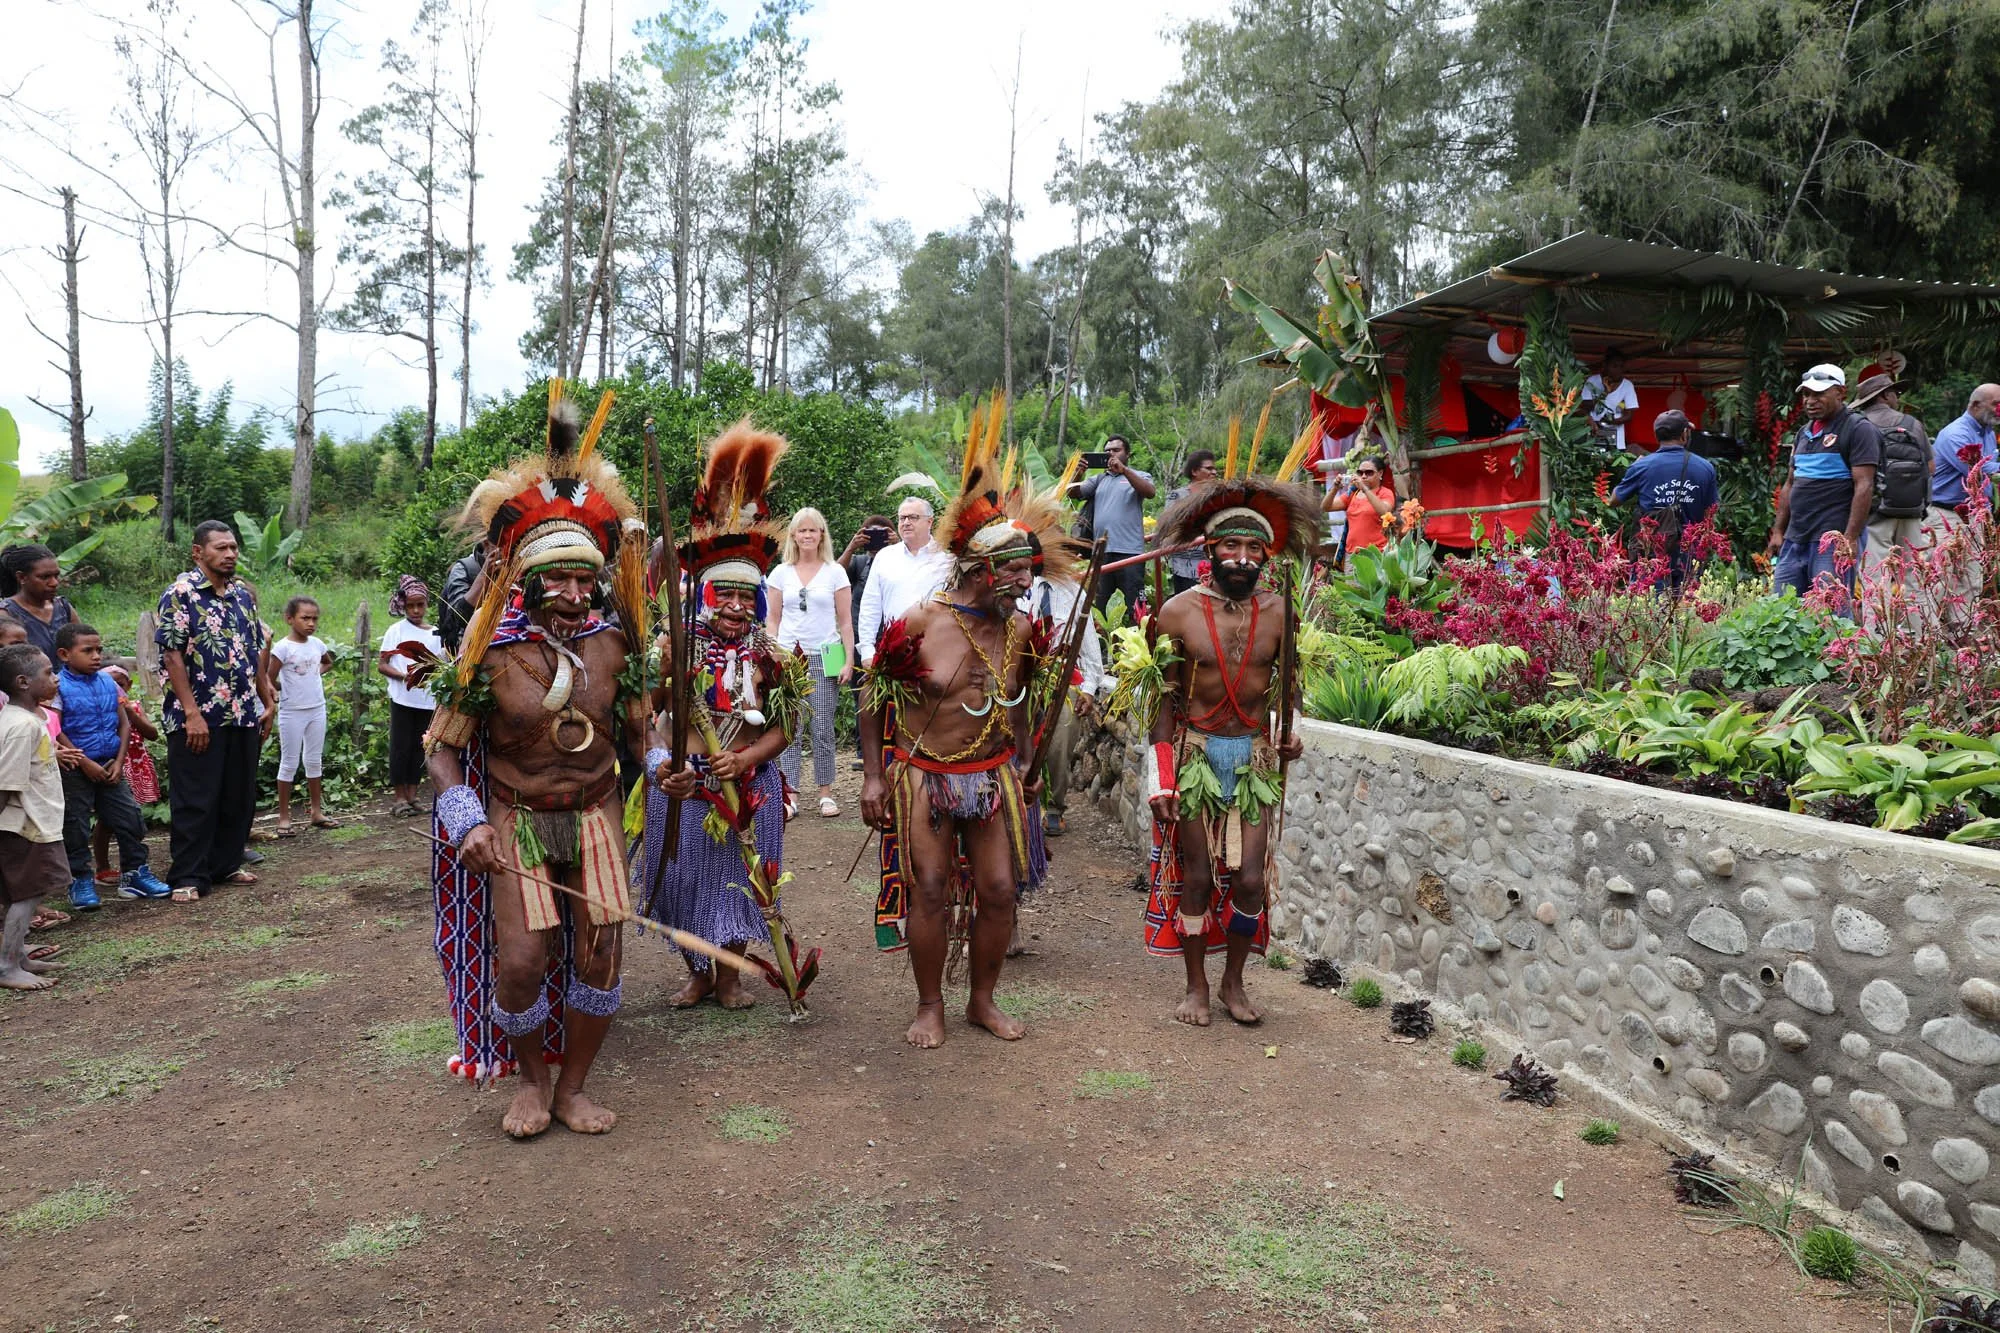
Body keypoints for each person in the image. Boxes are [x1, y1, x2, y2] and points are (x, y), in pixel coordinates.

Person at [426, 387, 649, 1137]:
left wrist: (668, 769)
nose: (576, 594)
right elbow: (443, 750)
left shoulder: (620, 647)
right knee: (521, 962)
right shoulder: (484, 657)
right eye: (559, 579)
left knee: (601, 953)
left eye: (587, 580)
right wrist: (467, 823)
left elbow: (643, 737)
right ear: (526, 579)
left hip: (595, 813)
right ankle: (531, 1080)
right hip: (516, 817)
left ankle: (575, 1086)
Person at [860, 435, 1069, 1049]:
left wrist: (1027, 756)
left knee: (1000, 889)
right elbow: (874, 699)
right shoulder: (922, 621)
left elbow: (1020, 695)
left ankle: (982, 1000)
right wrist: (874, 777)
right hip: (925, 772)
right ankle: (930, 1006)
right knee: (927, 888)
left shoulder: (1024, 627)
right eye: (1013, 570)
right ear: (979, 569)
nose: (1024, 580)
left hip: (993, 773)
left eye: (1028, 569)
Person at [1143, 476, 1320, 1027]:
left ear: (1266, 555)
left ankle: (1233, 982)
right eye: (1231, 547)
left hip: (1254, 758)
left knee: (1248, 880)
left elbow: (1285, 690)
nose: (1242, 559)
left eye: (1253, 550)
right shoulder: (1175, 614)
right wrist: (1162, 778)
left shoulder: (1280, 612)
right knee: (1196, 876)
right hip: (1195, 753)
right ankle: (1195, 986)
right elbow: (1161, 705)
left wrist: (1290, 733)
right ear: (1210, 550)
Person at [645, 424, 810, 1008]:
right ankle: (696, 969)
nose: (738, 607)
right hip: (687, 782)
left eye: (748, 598)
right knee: (688, 874)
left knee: (744, 878)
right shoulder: (675, 646)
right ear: (706, 597)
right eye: (727, 597)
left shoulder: (775, 658)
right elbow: (649, 713)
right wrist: (667, 762)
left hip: (752, 783)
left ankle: (733, 974)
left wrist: (745, 758)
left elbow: (786, 729)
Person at [156, 521, 273, 904]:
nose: (230, 554)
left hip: (242, 712)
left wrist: (265, 697)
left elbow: (252, 649)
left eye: (234, 548)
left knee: (237, 795)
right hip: (199, 715)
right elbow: (172, 655)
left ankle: (225, 863)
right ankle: (188, 874)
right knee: (196, 796)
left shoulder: (241, 595)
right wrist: (191, 713)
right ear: (198, 552)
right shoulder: (180, 594)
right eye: (221, 548)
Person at [53, 621, 170, 908]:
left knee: (130, 818)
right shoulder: (57, 686)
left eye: (99, 650)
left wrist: (119, 762)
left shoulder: (107, 682)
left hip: (110, 766)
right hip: (75, 770)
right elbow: (54, 728)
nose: (96, 656)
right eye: (88, 650)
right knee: (76, 825)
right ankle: (80, 879)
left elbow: (123, 722)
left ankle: (134, 874)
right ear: (65, 654)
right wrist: (82, 761)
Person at [1767, 364, 1882, 605]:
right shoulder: (1803, 433)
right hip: (1796, 537)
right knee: (1781, 609)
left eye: (1818, 394)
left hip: (1832, 541)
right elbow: (1790, 484)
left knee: (1831, 610)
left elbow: (1864, 486)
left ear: (1841, 392)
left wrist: (1849, 538)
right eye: (1806, 394)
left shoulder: (1858, 429)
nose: (1810, 400)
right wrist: (1778, 531)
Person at [767, 507, 856, 817]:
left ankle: (825, 793)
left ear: (822, 535)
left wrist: (848, 660)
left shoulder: (835, 572)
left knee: (821, 726)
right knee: (790, 727)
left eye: (813, 530)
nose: (807, 535)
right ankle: (789, 794)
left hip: (824, 654)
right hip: (790, 657)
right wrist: (772, 653)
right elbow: (773, 619)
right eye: (802, 530)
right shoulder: (780, 573)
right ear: (794, 534)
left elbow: (845, 621)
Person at [0, 643, 68, 991]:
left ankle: (20, 958)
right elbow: (6, 783)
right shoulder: (20, 725)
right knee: (26, 894)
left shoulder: (28, 720)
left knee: (24, 893)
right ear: (23, 682)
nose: (55, 678)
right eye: (48, 673)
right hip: (25, 824)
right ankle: (7, 966)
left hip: (36, 820)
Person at [1023, 567, 1104, 840]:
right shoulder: (1018, 584)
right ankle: (1020, 803)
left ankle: (1055, 806)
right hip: (1022, 671)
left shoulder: (1073, 590)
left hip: (1062, 672)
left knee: (1060, 741)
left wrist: (1089, 689)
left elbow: (1089, 642)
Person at [1612, 409, 1720, 590]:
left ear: (1657, 435)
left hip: (1652, 551)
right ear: (1685, 434)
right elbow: (1711, 510)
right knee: (1687, 604)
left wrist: (1633, 467)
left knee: (1649, 604)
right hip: (1690, 551)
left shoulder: (1642, 466)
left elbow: (1614, 500)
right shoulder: (1705, 467)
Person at [1850, 373, 1937, 578]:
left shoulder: (1859, 424)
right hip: (1912, 509)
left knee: (1875, 574)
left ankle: (1880, 611)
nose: (1897, 398)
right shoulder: (1912, 423)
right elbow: (1931, 468)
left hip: (1873, 511)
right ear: (1886, 396)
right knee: (1913, 572)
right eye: (1896, 393)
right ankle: (1916, 611)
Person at [267, 596, 334, 835]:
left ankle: (316, 811)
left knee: (314, 760)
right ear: (289, 619)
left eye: (314, 618)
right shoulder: (283, 648)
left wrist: (314, 674)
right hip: (291, 711)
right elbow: (268, 677)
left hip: (317, 708)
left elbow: (327, 662)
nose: (311, 623)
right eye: (305, 618)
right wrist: (276, 690)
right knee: (289, 762)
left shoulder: (316, 644)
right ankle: (284, 817)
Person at [856, 495, 949, 664]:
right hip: (894, 652)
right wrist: (867, 651)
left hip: (938, 652)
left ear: (930, 522)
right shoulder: (885, 557)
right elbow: (870, 607)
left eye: (913, 517)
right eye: (902, 518)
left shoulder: (946, 559)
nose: (906, 522)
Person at [379, 576, 442, 817]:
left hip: (427, 701)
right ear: (403, 606)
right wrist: (404, 677)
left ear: (427, 605)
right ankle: (399, 798)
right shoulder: (395, 631)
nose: (416, 610)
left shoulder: (436, 633)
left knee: (420, 748)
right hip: (403, 700)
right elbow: (382, 664)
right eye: (410, 606)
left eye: (420, 605)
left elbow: (441, 664)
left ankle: (413, 796)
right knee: (400, 748)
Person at [93, 665, 160, 889]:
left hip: (135, 765)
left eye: (120, 685)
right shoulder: (98, 711)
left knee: (130, 816)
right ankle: (102, 867)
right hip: (113, 766)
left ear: (128, 686)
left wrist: (131, 713)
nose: (115, 691)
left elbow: (152, 734)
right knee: (107, 820)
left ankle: (130, 867)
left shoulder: (134, 708)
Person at [1073, 435, 1156, 614]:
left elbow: (1149, 492)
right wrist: (1077, 474)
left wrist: (1124, 470)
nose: (1111, 454)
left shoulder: (1140, 475)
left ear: (1127, 454)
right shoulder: (1099, 479)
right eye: (1107, 451)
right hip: (1101, 553)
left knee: (1135, 606)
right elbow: (1074, 493)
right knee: (1101, 606)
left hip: (1130, 552)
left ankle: (1139, 640)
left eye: (1116, 450)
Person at [1930, 383, 2000, 531]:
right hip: (1949, 516)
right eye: (1996, 404)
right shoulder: (1955, 434)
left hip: (1979, 514)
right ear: (1976, 405)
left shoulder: (1989, 432)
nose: (1998, 409)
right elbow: (1979, 470)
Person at [0, 544, 77, 670]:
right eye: (45, 577)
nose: (54, 583)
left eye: (56, 575)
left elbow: (83, 646)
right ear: (21, 577)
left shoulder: (63, 608)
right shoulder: (6, 614)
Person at [1161, 452, 1218, 596]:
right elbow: (1169, 525)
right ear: (1194, 471)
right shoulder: (1178, 496)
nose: (1214, 472)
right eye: (1209, 469)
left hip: (1213, 563)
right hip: (1185, 564)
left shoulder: (1218, 495)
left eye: (1214, 469)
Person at [1324, 454, 1396, 557]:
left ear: (1380, 473)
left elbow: (1384, 512)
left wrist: (1364, 489)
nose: (1363, 476)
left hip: (1376, 553)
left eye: (1369, 473)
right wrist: (1335, 488)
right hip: (1352, 554)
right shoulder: (1352, 493)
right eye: (1360, 473)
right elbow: (1326, 507)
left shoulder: (1385, 493)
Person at [438, 538, 491, 654]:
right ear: (486, 544)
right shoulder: (463, 569)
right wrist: (485, 575)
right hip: (467, 653)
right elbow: (457, 618)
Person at [1583, 348, 1640, 451]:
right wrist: (1605, 393)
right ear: (1605, 365)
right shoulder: (1592, 381)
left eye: (1621, 366)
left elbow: (1629, 415)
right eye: (1614, 366)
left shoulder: (1627, 385)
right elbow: (1585, 407)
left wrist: (1612, 421)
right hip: (1594, 433)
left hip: (1617, 439)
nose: (1618, 370)